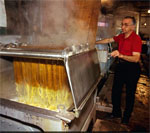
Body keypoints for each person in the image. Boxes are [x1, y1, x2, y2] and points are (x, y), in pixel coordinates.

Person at [95, 16, 142, 125]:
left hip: (132, 69)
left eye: (126, 24)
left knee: (130, 94)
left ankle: (126, 118)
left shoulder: (136, 39)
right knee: (116, 91)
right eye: (122, 24)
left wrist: (120, 55)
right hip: (121, 66)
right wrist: (94, 41)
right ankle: (116, 113)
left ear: (133, 27)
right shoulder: (121, 36)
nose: (122, 27)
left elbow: (136, 58)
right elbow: (108, 40)